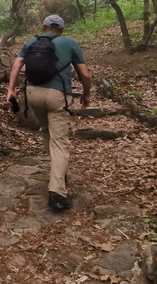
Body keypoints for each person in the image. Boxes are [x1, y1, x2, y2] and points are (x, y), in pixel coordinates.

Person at [6, 14, 93, 211]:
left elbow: (16, 65)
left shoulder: (30, 42)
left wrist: (11, 90)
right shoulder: (70, 43)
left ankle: (57, 170)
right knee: (60, 142)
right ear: (62, 29)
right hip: (58, 96)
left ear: (44, 27)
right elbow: (85, 74)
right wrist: (86, 95)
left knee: (45, 130)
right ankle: (57, 193)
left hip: (33, 94)